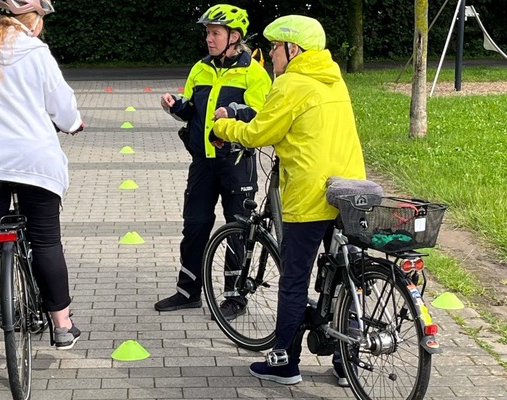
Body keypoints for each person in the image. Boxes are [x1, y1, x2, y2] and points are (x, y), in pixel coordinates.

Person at [211, 15, 366, 386]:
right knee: (347, 275)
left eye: (275, 47)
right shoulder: (332, 77)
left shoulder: (292, 83)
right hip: (350, 189)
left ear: (293, 50)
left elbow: (260, 132)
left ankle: (285, 364)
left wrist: (221, 125)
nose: (272, 55)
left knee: (294, 280)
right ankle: (349, 364)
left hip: (310, 194)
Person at [0, 0, 83, 376]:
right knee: (46, 242)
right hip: (33, 164)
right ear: (34, 21)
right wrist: (73, 125)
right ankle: (62, 326)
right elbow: (66, 112)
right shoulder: (37, 52)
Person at [154, 4, 272, 319]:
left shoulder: (254, 73)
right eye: (207, 32)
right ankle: (188, 292)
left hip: (236, 161)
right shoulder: (200, 68)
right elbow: (192, 107)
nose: (209, 38)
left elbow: (262, 114)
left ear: (235, 36)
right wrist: (176, 105)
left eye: (215, 32)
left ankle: (235, 296)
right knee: (194, 227)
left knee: (237, 230)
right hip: (202, 162)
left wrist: (234, 111)